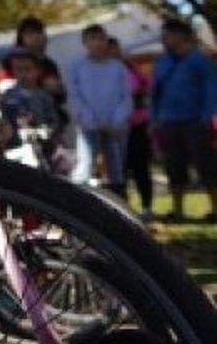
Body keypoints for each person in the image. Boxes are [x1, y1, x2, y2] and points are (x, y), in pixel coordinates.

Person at [151, 16, 217, 222]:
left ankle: (215, 209)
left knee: (206, 167)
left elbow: (211, 90)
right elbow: (155, 91)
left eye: (168, 35)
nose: (165, 39)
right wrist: (155, 118)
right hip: (169, 121)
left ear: (181, 36)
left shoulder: (200, 60)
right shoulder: (162, 61)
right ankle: (177, 211)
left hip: (195, 121)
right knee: (174, 167)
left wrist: (205, 118)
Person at [66, 23, 132, 197]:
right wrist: (90, 120)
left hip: (114, 127)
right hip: (88, 126)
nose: (98, 43)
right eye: (93, 39)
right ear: (85, 43)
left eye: (101, 38)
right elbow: (74, 96)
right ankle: (77, 201)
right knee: (85, 165)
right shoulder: (77, 67)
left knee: (116, 167)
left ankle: (119, 205)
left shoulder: (117, 67)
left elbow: (125, 96)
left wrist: (116, 121)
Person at [108, 37, 154, 220]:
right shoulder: (104, 72)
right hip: (115, 128)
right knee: (119, 169)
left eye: (114, 49)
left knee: (140, 167)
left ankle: (147, 207)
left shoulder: (131, 68)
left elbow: (147, 86)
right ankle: (122, 208)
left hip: (137, 125)